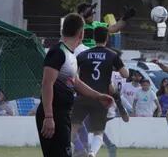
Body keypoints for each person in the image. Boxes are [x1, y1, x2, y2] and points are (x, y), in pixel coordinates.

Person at [36, 13, 114, 157]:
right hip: (54, 114)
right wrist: (48, 117)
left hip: (63, 114)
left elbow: (76, 82)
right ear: (81, 33)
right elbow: (47, 83)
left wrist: (99, 96)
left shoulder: (70, 54)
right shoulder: (58, 52)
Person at [71, 26, 129, 157]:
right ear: (107, 38)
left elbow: (72, 74)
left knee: (73, 127)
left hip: (83, 96)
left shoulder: (82, 55)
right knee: (98, 132)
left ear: (93, 38)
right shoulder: (112, 55)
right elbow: (125, 74)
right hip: (101, 98)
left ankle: (67, 151)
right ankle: (92, 153)